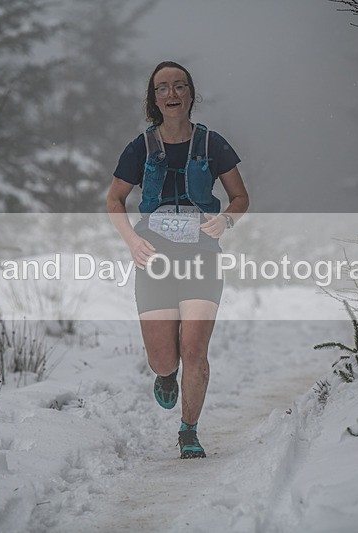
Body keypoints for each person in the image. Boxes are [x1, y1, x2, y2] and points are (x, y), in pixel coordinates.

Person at [106, 61, 249, 459]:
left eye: (179, 86)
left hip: (202, 257)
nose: (171, 93)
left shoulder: (212, 144)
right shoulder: (141, 147)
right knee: (165, 358)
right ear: (154, 99)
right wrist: (131, 240)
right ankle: (166, 377)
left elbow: (241, 198)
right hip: (153, 258)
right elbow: (114, 200)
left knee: (194, 350)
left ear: (190, 94)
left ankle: (189, 430)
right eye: (163, 88)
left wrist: (227, 220)